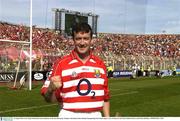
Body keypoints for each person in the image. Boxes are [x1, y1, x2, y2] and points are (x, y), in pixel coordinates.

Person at [41, 22, 110, 118]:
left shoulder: (100, 65)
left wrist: (108, 118)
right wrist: (50, 89)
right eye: (78, 39)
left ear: (91, 40)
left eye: (86, 38)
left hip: (96, 116)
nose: (82, 43)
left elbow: (105, 98)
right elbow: (49, 99)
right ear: (73, 40)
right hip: (69, 115)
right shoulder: (61, 64)